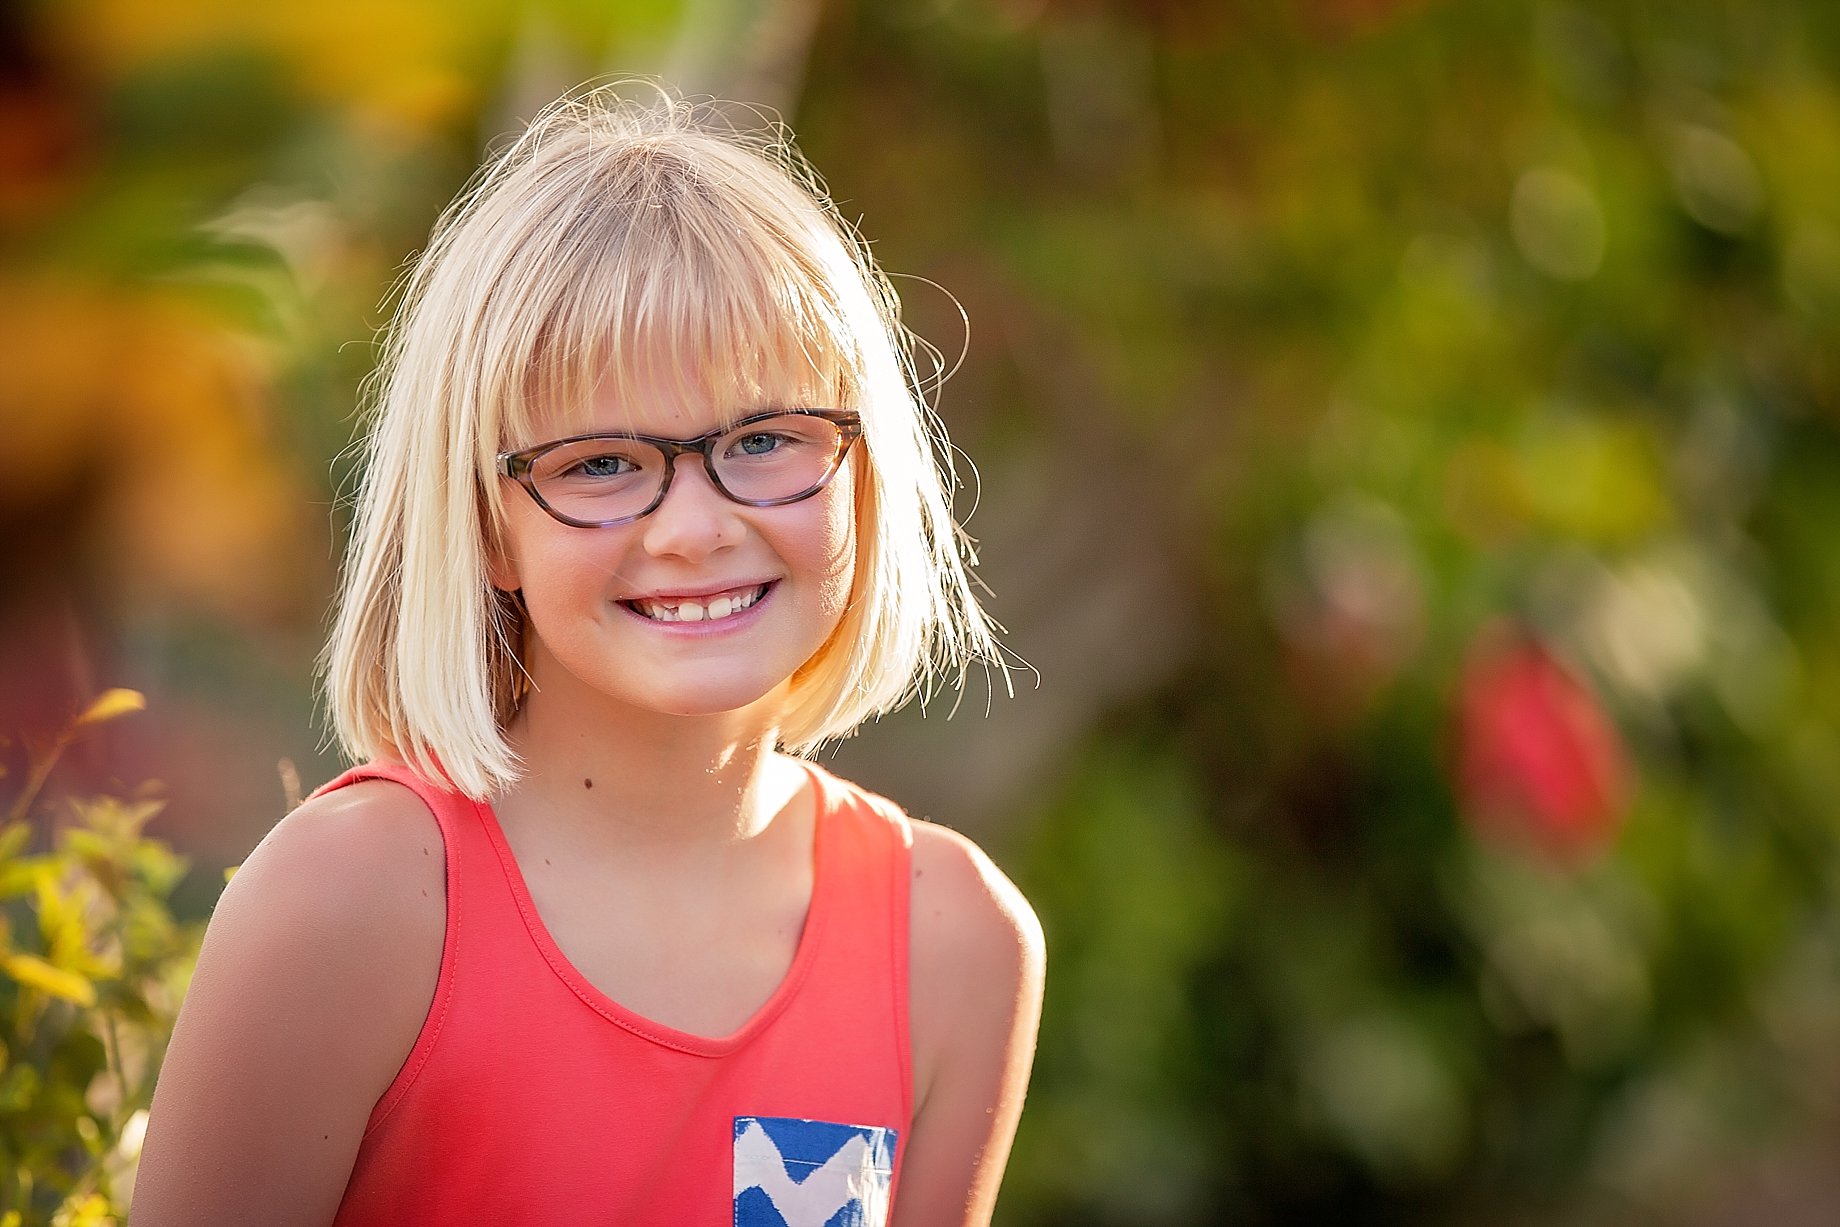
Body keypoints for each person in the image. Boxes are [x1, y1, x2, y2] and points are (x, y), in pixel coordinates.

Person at [131, 83, 1044, 1227]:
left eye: (763, 438)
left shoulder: (954, 941)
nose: (695, 528)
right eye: (600, 463)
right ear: (485, 527)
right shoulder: (352, 901)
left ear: (864, 472)